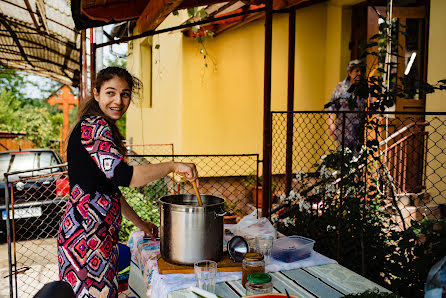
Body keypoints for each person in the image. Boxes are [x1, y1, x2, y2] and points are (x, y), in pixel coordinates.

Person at [57, 67, 199, 297]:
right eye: (110, 93)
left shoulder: (97, 125)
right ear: (96, 93)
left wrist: (140, 222)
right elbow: (122, 176)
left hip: (92, 237)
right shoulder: (95, 126)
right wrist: (173, 166)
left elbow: (108, 188)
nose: (118, 101)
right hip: (87, 241)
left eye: (125, 94)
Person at [326, 59, 367, 153]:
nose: (359, 73)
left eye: (361, 71)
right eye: (356, 71)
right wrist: (331, 124)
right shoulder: (341, 87)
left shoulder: (365, 88)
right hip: (343, 131)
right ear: (350, 72)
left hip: (360, 131)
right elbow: (331, 107)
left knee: (358, 159)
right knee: (343, 157)